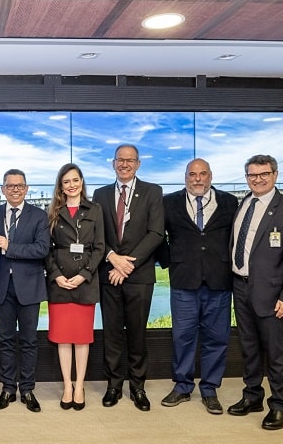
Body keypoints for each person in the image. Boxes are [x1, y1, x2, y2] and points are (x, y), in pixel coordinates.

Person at [228, 154, 283, 430]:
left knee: (276, 352)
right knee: (249, 348)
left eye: (263, 174)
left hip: (273, 295)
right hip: (241, 286)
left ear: (274, 174)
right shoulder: (243, 204)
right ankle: (252, 397)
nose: (257, 180)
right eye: (252, 175)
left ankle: (280, 406)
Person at [158, 159, 238, 415]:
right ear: (185, 177)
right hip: (183, 281)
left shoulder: (229, 202)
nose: (198, 179)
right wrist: (170, 262)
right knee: (182, 337)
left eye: (203, 174)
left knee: (217, 338)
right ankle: (182, 387)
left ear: (211, 176)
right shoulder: (168, 202)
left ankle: (210, 389)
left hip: (219, 281)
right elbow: (158, 237)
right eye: (192, 174)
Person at [92, 144, 164, 411]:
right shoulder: (99, 194)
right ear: (113, 164)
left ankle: (138, 387)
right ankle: (113, 385)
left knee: (137, 334)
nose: (124, 164)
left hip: (139, 275)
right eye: (120, 160)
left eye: (129, 160)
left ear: (138, 164)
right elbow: (96, 235)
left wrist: (126, 265)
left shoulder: (153, 192)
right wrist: (112, 258)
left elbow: (156, 233)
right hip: (108, 274)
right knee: (111, 333)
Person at [0, 169, 50, 413]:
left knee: (29, 341)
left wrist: (9, 246)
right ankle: (8, 388)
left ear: (27, 188)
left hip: (29, 288)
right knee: (6, 340)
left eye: (20, 185)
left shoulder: (39, 216)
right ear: (3, 189)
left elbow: (41, 250)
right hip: (2, 287)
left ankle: (28, 389)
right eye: (10, 186)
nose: (15, 189)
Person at [44, 163, 105, 411]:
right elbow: (46, 249)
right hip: (59, 283)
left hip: (84, 282)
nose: (72, 185)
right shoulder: (53, 213)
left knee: (81, 338)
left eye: (75, 180)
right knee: (62, 338)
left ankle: (79, 385)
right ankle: (67, 385)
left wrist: (85, 274)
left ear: (82, 182)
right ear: (61, 185)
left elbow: (100, 247)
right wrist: (56, 275)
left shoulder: (95, 209)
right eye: (66, 181)